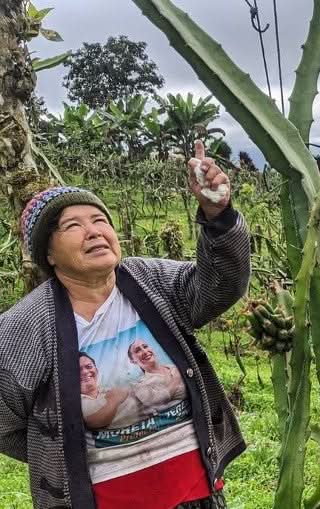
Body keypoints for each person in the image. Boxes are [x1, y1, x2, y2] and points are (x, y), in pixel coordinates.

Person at [0, 140, 250, 509]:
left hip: (196, 490)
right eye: (73, 225)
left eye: (100, 220)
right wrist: (59, 449)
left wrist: (219, 217)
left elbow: (219, 287)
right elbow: (6, 426)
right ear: (48, 253)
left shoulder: (151, 280)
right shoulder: (23, 328)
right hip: (104, 499)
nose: (94, 231)